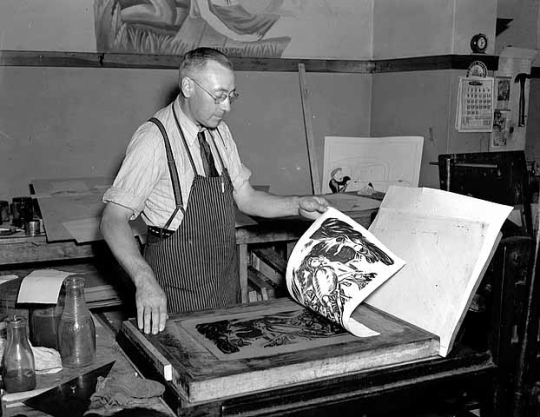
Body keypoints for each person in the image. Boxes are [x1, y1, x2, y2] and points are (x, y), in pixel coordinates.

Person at [100, 47, 328, 335]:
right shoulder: (154, 140)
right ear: (187, 87)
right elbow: (112, 219)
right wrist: (144, 280)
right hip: (175, 288)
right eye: (219, 96)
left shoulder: (218, 132)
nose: (227, 107)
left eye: (231, 96)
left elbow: (246, 197)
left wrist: (296, 205)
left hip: (222, 284)